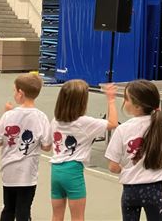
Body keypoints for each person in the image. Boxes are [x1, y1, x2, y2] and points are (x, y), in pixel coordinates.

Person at [105, 79, 162, 221]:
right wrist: (159, 170)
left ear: (137, 106)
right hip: (154, 190)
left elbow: (113, 166)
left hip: (130, 191)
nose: (124, 102)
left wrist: (126, 170)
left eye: (126, 99)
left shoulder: (123, 129)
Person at [50, 79, 118, 221]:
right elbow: (112, 123)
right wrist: (111, 100)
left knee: (57, 216)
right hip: (73, 171)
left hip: (56, 170)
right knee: (78, 217)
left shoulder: (55, 120)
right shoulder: (84, 123)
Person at [0, 73, 52, 221]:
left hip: (9, 171)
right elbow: (46, 146)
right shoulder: (41, 117)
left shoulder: (8, 116)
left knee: (9, 208)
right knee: (24, 209)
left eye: (14, 90)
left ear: (20, 93)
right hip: (27, 173)